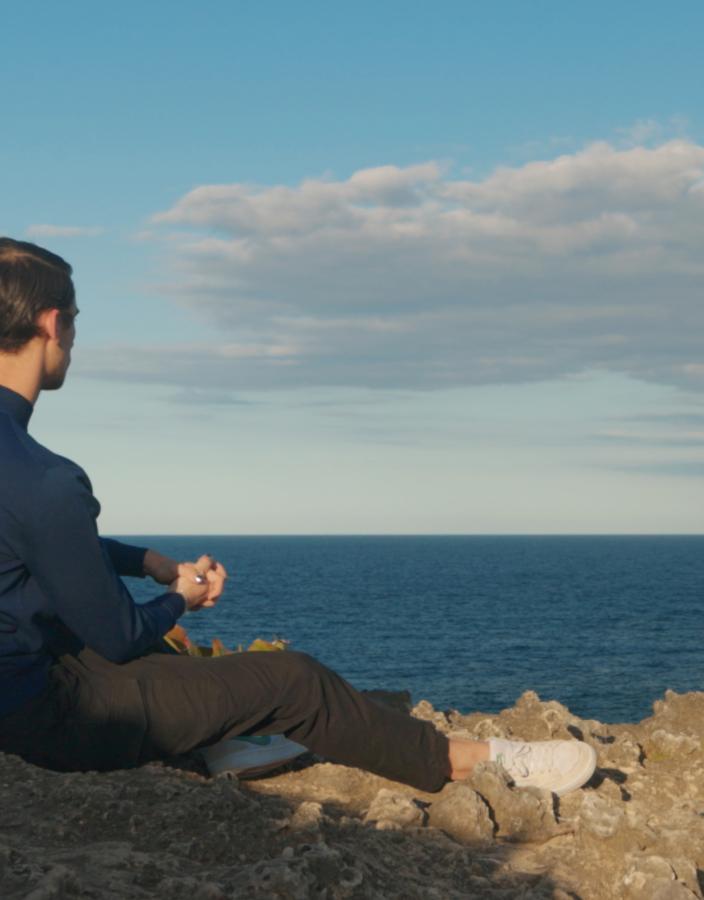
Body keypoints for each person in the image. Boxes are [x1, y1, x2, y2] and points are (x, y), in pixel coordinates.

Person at [0, 237, 597, 795]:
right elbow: (118, 633)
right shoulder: (48, 478)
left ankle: (224, 744)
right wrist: (182, 596)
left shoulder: (26, 473)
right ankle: (473, 761)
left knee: (160, 657)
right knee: (293, 680)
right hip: (39, 722)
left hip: (22, 683)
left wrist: (148, 563)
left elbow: (37, 542)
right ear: (52, 323)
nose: (74, 337)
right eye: (75, 321)